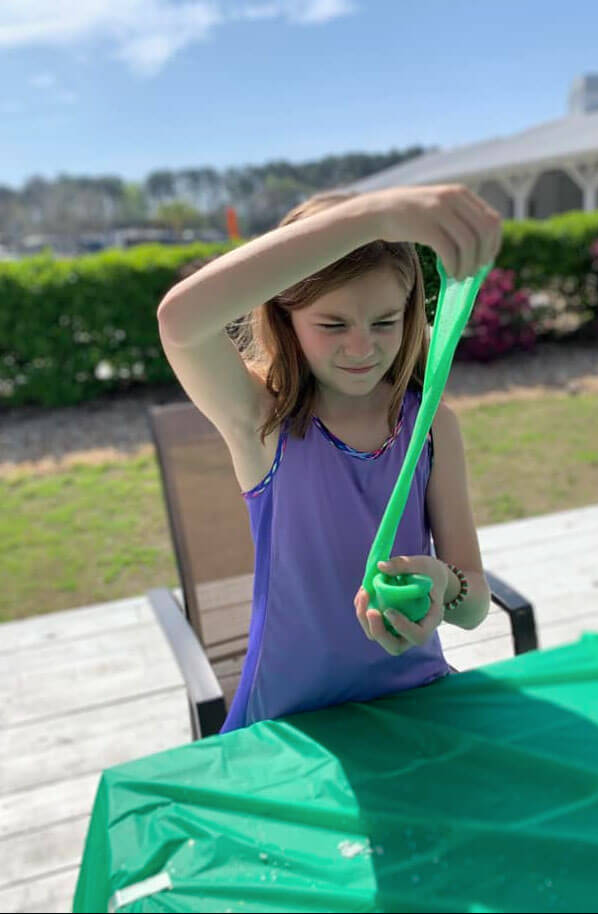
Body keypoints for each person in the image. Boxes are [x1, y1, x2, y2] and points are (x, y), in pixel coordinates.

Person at [157, 184, 502, 733]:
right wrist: (375, 217)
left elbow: (475, 601)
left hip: (419, 708)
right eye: (333, 324)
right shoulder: (261, 421)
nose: (362, 347)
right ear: (286, 316)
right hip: (292, 727)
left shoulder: (433, 426)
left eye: (384, 322)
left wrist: (443, 584)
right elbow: (180, 321)